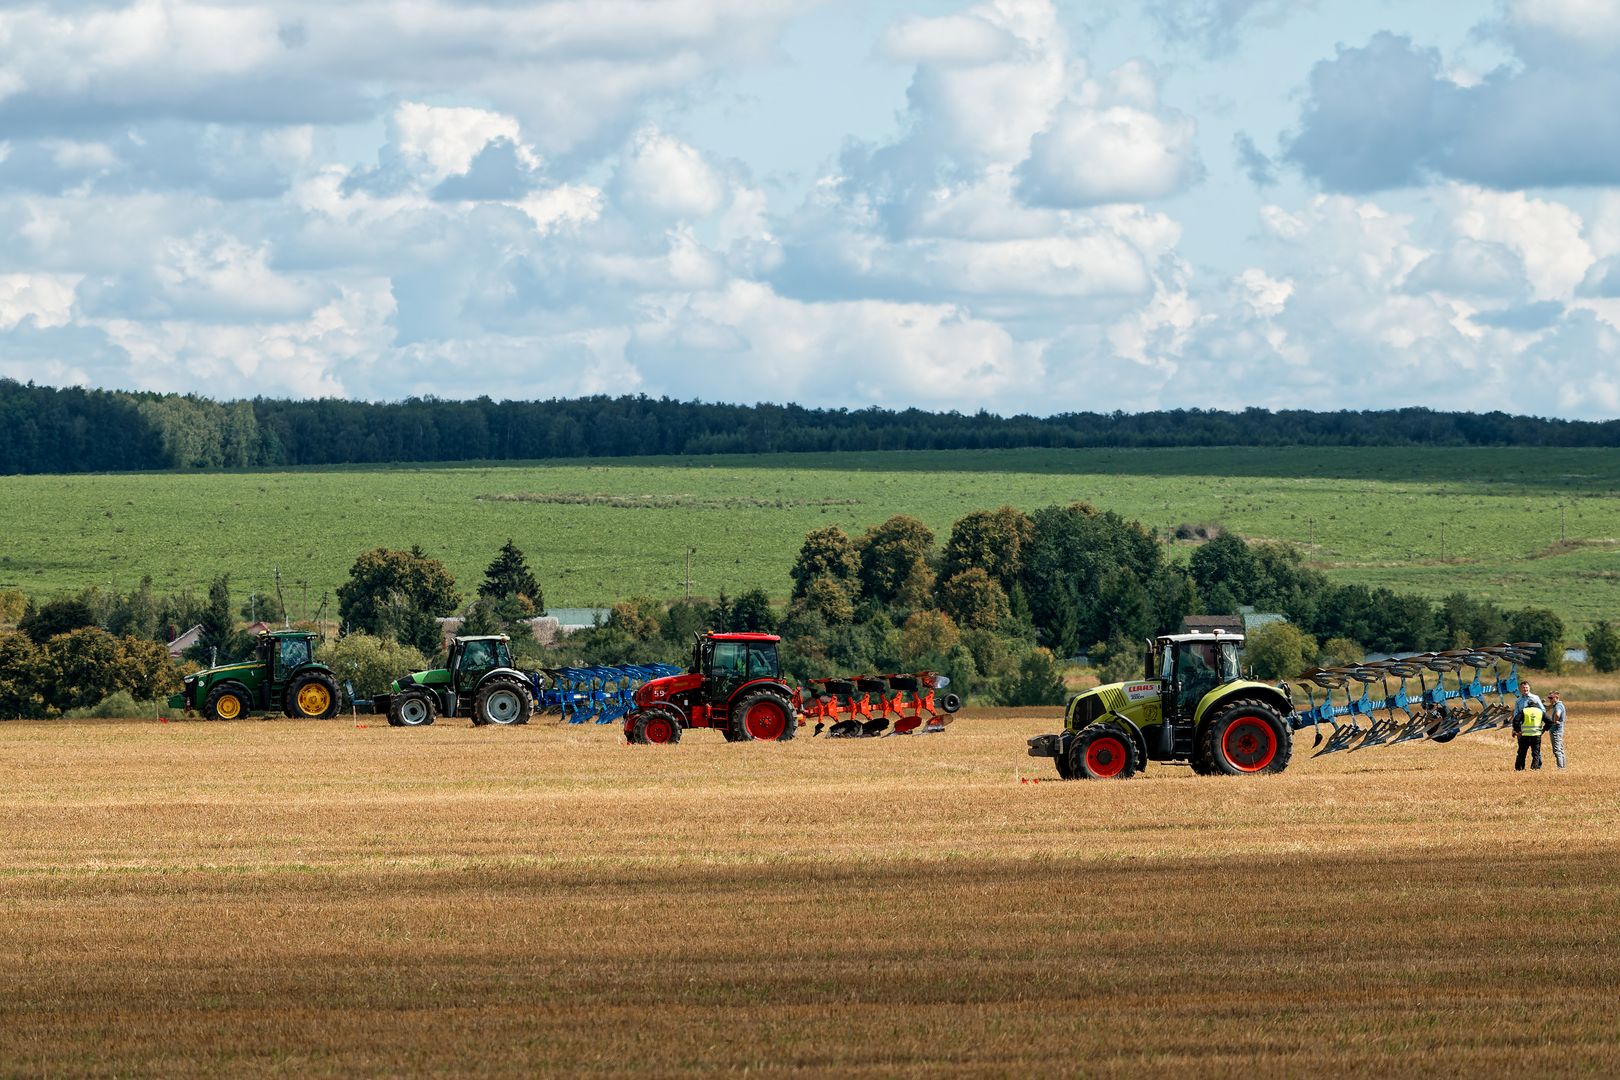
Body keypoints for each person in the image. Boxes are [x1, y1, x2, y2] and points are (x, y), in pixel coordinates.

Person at [1513, 692, 1546, 771]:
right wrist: (1544, 729)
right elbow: (1549, 721)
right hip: (1536, 734)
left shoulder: (1524, 711)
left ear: (1528, 704)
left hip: (1525, 734)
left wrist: (1518, 730)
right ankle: (1535, 768)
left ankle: (1520, 768)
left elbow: (1515, 720)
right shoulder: (1540, 711)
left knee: (1522, 753)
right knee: (1536, 753)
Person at [1545, 690, 1567, 769]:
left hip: (1556, 731)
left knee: (1557, 750)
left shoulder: (1558, 706)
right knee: (1560, 749)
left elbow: (1558, 713)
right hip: (1558, 730)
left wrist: (1554, 721)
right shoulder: (1557, 705)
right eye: (1549, 698)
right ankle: (1563, 767)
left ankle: (1560, 768)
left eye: (1551, 698)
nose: (1549, 699)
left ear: (1556, 697)